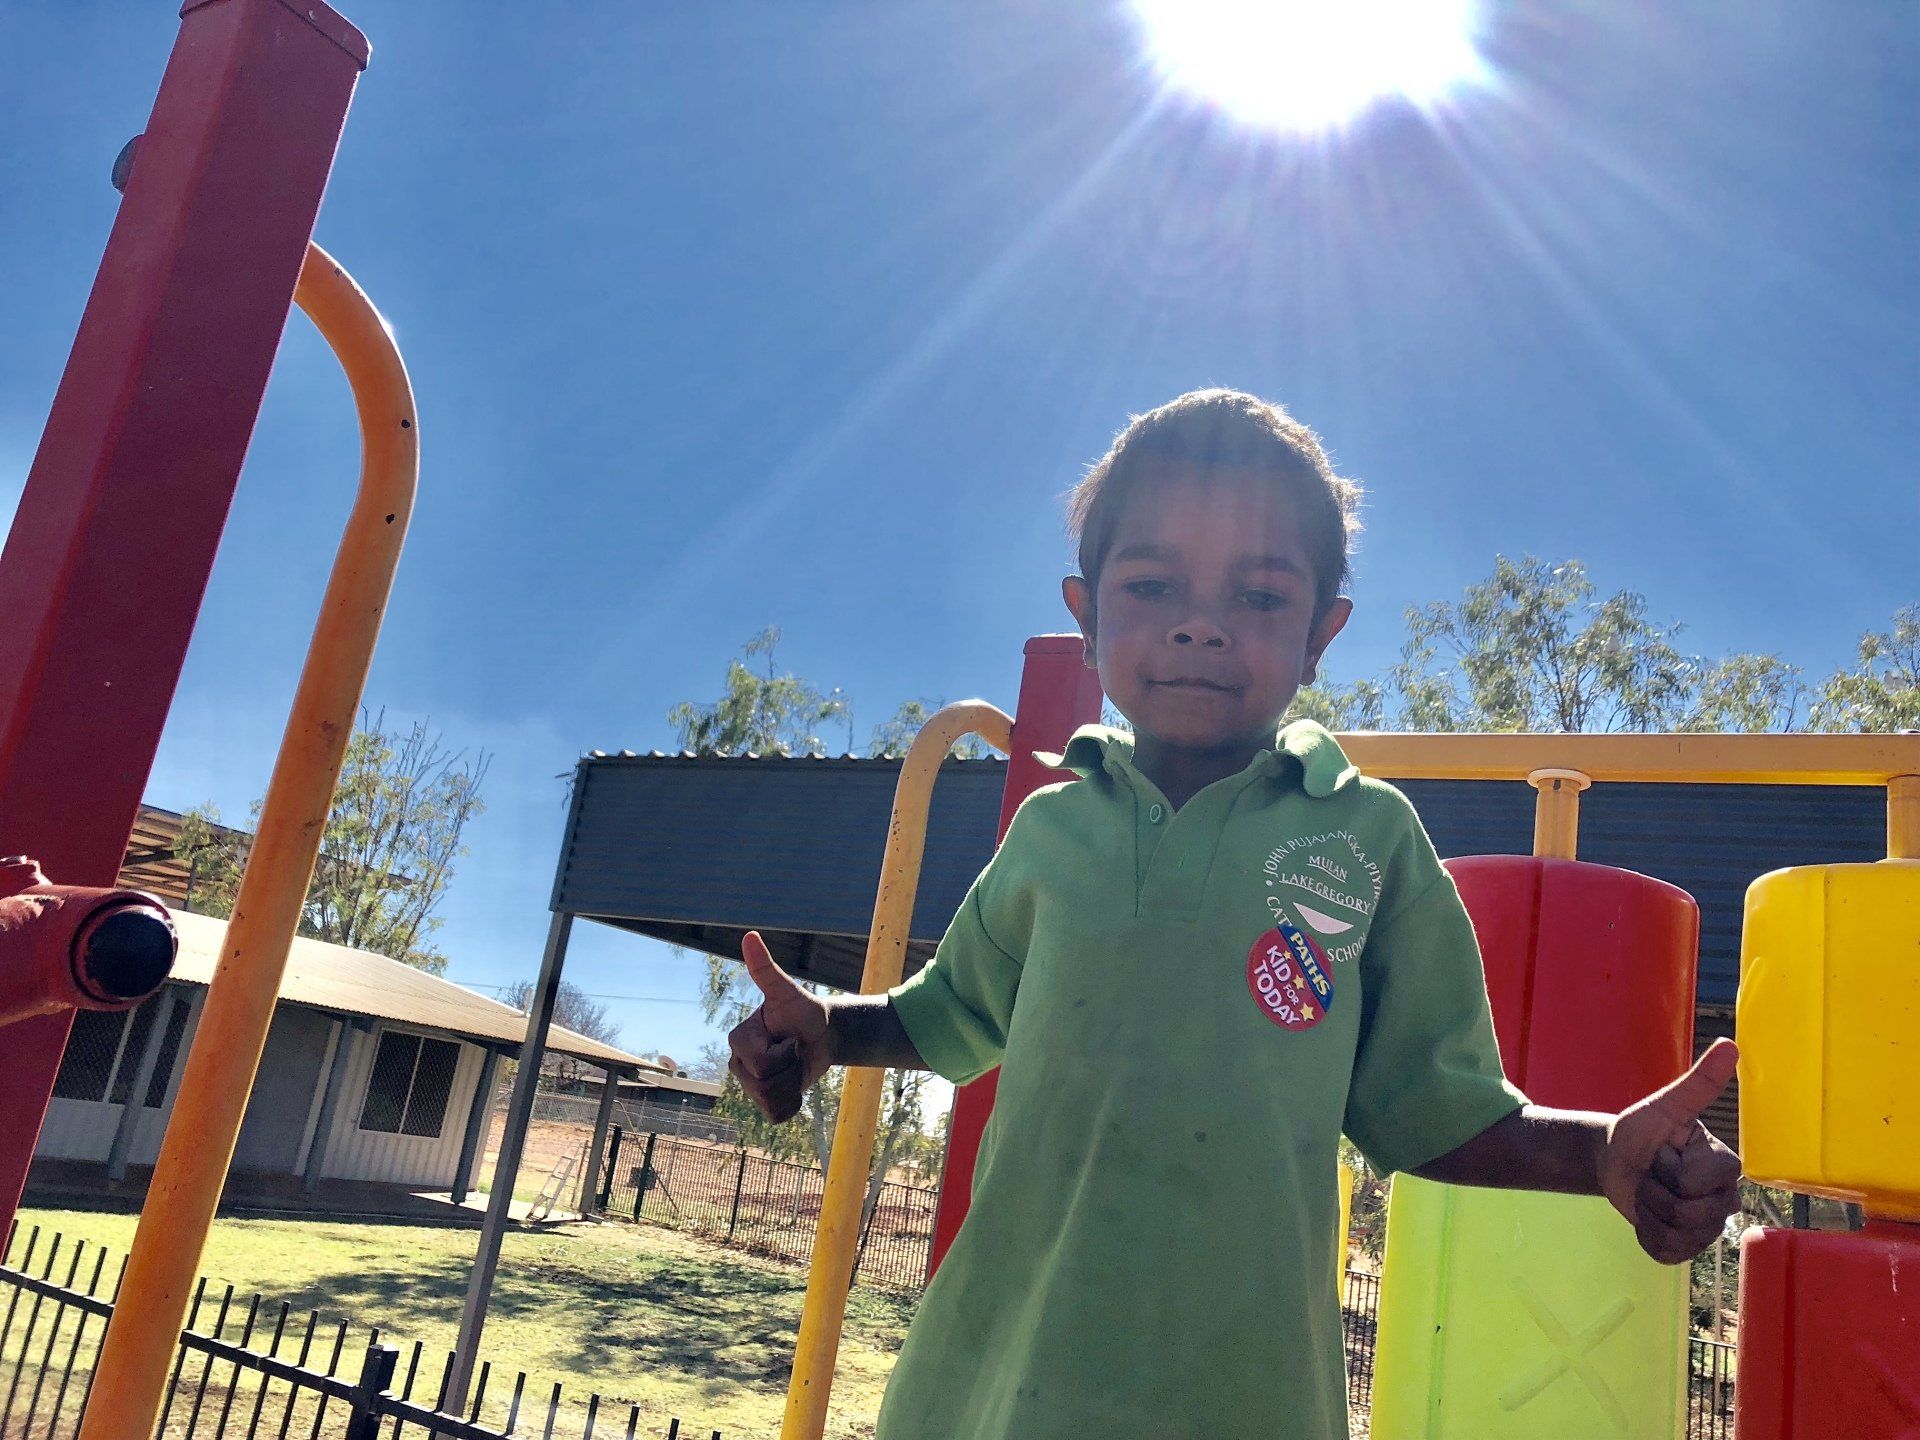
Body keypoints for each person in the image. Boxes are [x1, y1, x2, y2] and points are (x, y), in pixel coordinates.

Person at [727, 389, 1742, 1439]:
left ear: (1320, 636)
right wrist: (832, 1029)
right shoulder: (1049, 836)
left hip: (1243, 1396)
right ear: (1087, 617)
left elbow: (1433, 1107)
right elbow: (949, 1013)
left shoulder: (1367, 841)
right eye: (1154, 583)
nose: (1199, 622)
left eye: (1257, 598)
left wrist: (1596, 1158)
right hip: (989, 1390)